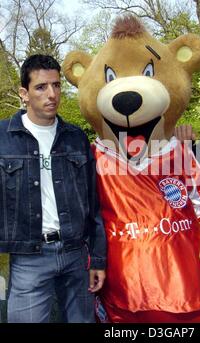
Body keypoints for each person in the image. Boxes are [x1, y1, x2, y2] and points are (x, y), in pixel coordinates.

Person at [0, 54, 106, 323]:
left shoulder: (76, 138)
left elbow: (93, 204)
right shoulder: (4, 138)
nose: (52, 94)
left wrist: (98, 259)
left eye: (56, 85)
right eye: (41, 87)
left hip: (75, 254)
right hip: (29, 258)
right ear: (24, 93)